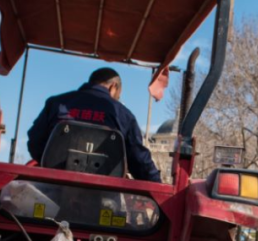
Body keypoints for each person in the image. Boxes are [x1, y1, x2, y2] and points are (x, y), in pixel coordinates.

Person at [27, 67, 162, 182]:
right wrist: (157, 184)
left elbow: (35, 143)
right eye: (118, 96)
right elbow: (139, 160)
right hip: (104, 196)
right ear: (113, 87)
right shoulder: (123, 115)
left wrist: (53, 166)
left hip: (54, 187)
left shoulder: (55, 103)